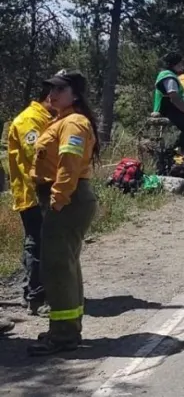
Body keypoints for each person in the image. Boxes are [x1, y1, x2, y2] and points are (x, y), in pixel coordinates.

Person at [28, 70, 99, 355]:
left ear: (75, 95)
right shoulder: (61, 120)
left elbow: (69, 163)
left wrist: (58, 200)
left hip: (68, 199)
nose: (52, 94)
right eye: (50, 89)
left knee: (57, 267)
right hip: (68, 199)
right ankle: (66, 329)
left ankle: (64, 336)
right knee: (65, 265)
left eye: (59, 89)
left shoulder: (74, 123)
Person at [7, 87, 56, 315]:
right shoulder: (29, 120)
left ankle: (38, 289)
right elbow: (36, 154)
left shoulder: (47, 118)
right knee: (36, 242)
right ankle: (35, 296)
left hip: (45, 190)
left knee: (44, 241)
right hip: (33, 192)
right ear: (49, 96)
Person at [154, 53, 184, 171]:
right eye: (180, 63)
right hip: (169, 109)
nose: (182, 66)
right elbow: (174, 97)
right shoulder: (168, 76)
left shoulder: (171, 76)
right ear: (174, 64)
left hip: (174, 109)